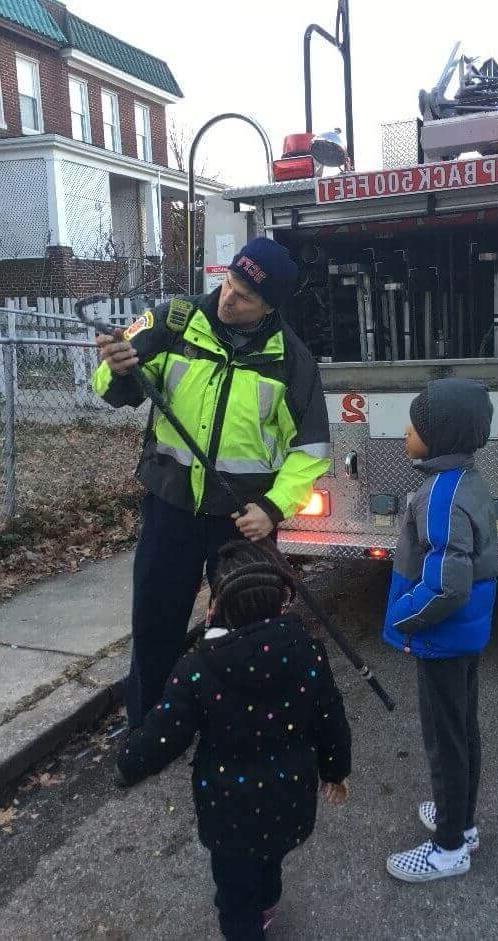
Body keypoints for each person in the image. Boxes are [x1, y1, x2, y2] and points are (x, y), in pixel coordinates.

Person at [91, 238, 331, 727]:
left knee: (246, 629)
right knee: (155, 624)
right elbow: (122, 390)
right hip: (170, 507)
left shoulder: (293, 361)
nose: (228, 298)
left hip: (243, 523)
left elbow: (311, 451)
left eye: (244, 295)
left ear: (270, 307)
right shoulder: (174, 322)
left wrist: (274, 506)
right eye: (229, 283)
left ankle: (234, 727)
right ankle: (147, 730)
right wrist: (115, 369)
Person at [115, 539, 352, 940]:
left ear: (217, 606)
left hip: (229, 811)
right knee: (270, 858)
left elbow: (164, 734)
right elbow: (330, 715)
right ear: (281, 600)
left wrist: (128, 761)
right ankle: (267, 902)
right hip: (291, 799)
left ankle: (248, 923)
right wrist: (336, 770)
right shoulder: (308, 652)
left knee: (234, 895)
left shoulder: (198, 668)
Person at [382, 378, 498, 883]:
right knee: (462, 730)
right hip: (463, 636)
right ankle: (462, 820)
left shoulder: (441, 496)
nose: (407, 430)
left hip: (442, 636)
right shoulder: (464, 479)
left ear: (440, 437)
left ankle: (449, 846)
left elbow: (447, 586)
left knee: (444, 739)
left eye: (417, 424)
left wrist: (402, 617)